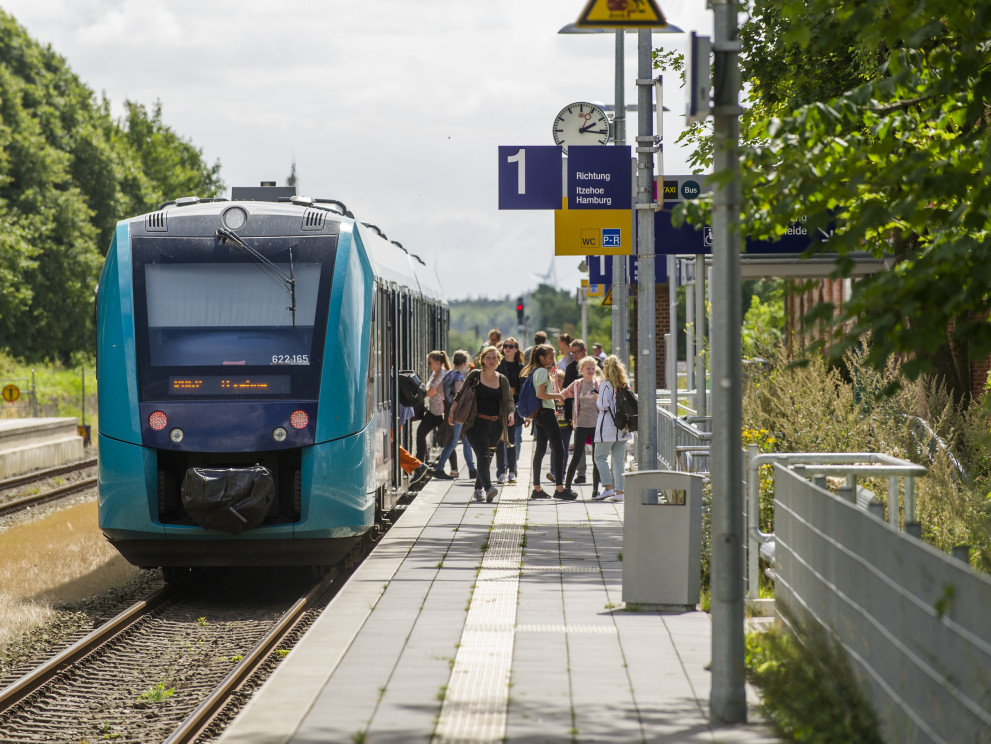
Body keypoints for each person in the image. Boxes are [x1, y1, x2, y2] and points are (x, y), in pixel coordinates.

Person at [452, 345, 515, 502]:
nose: (491, 360)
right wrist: (452, 413)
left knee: (487, 459)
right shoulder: (474, 375)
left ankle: (478, 489)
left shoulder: (502, 379)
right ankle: (489, 488)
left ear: (498, 360)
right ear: (483, 360)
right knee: (482, 455)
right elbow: (460, 395)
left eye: (494, 357)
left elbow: (508, 400)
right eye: (488, 358)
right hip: (475, 424)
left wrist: (511, 412)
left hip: (495, 425)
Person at [522, 343, 572, 500]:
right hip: (546, 414)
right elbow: (541, 394)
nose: (553, 360)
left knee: (541, 450)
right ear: (541, 357)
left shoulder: (536, 371)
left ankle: (536, 488)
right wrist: (560, 397)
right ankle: (559, 488)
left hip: (539, 415)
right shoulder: (542, 372)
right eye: (550, 357)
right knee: (559, 449)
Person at [431, 350, 477, 480]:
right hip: (458, 411)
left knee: (466, 439)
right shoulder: (458, 376)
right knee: (453, 442)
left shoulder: (448, 374)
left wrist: (447, 399)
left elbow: (439, 390)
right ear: (465, 362)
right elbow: (459, 393)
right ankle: (439, 469)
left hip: (449, 408)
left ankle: (472, 469)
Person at [560, 356, 602, 497]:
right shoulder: (577, 384)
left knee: (597, 458)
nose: (590, 370)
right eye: (588, 368)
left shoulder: (599, 384)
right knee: (576, 456)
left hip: (596, 426)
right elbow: (562, 395)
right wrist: (554, 384)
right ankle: (567, 487)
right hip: (581, 425)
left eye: (592, 368)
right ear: (581, 370)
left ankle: (596, 490)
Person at [592, 355, 632, 502]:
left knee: (599, 457)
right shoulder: (624, 384)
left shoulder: (605, 384)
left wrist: (596, 398)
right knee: (618, 461)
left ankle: (608, 488)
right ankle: (620, 492)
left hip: (607, 428)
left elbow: (603, 405)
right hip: (623, 428)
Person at [558, 338, 589, 483]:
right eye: (573, 352)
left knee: (597, 442)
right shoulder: (571, 367)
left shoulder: (595, 364)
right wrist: (570, 416)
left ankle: (599, 471)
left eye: (577, 352)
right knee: (579, 444)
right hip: (579, 411)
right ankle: (581, 473)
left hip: (596, 411)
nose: (575, 355)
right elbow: (568, 394)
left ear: (584, 351)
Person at [495, 337, 524, 484]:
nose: (507, 348)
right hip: (500, 406)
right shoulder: (499, 365)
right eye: (505, 346)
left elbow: (523, 390)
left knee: (512, 439)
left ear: (516, 349)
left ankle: (512, 470)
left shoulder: (521, 367)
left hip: (516, 406)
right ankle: (501, 471)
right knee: (500, 440)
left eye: (511, 346)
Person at [415, 350, 449, 463]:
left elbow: (430, 392)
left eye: (430, 363)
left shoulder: (442, 375)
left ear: (438, 363)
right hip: (433, 411)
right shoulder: (435, 374)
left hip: (441, 413)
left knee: (446, 440)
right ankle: (420, 464)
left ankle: (453, 468)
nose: (428, 365)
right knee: (420, 434)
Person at [397, 403, 430, 484]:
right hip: (398, 411)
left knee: (392, 446)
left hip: (397, 412)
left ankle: (418, 466)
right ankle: (418, 466)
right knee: (392, 446)